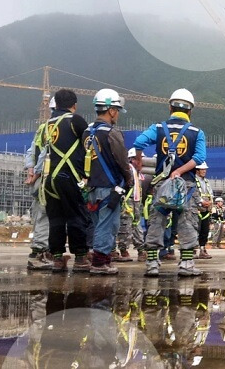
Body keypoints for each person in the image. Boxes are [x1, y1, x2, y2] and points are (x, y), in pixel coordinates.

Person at [132, 88, 206, 277]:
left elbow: (139, 142)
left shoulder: (158, 129)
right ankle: (187, 265)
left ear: (170, 107)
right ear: (190, 110)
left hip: (162, 185)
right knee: (187, 223)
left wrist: (139, 160)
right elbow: (199, 157)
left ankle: (152, 265)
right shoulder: (197, 132)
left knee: (157, 222)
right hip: (186, 186)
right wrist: (180, 171)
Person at [42, 89, 91, 273]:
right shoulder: (75, 120)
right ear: (74, 105)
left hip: (50, 178)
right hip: (69, 177)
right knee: (76, 216)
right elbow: (89, 146)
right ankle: (80, 257)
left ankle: (57, 258)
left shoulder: (47, 124)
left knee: (56, 218)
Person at [84, 89, 132, 275]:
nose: (117, 114)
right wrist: (128, 180)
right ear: (111, 110)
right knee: (107, 225)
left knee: (98, 224)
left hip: (91, 187)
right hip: (109, 188)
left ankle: (101, 258)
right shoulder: (112, 133)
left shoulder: (87, 133)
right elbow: (122, 160)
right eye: (117, 110)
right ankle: (100, 262)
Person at [24, 97, 54, 270]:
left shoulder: (42, 128)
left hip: (38, 179)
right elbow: (45, 153)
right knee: (44, 215)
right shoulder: (53, 129)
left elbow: (31, 151)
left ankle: (40, 248)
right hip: (45, 178)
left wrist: (30, 169)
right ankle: (40, 251)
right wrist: (35, 172)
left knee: (38, 213)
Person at [115, 148, 148, 262]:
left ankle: (140, 250)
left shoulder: (138, 173)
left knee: (137, 226)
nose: (142, 162)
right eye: (140, 159)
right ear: (132, 159)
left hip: (136, 202)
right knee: (125, 226)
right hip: (127, 202)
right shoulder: (128, 170)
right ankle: (123, 250)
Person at [193, 162, 214, 259]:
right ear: (197, 170)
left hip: (205, 210)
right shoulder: (193, 181)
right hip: (196, 209)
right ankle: (192, 250)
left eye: (205, 169)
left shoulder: (207, 182)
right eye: (202, 169)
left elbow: (211, 194)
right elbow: (193, 194)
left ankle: (202, 249)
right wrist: (201, 202)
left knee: (205, 230)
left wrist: (210, 202)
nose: (204, 171)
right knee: (194, 230)